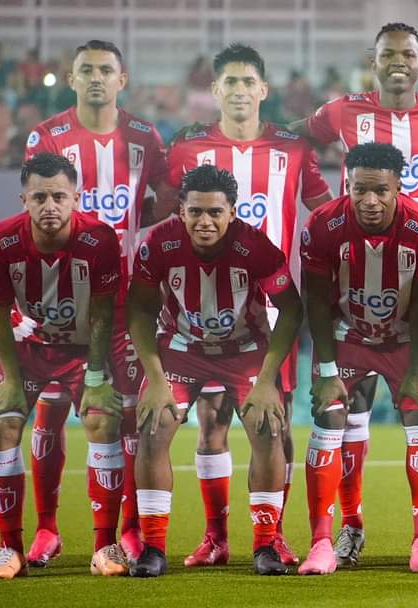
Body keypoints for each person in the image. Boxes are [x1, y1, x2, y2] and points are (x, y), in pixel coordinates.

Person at [290, 22, 418, 567]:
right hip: (357, 276)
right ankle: (348, 527)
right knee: (352, 409)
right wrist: (324, 199)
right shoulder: (344, 110)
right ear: (372, 62)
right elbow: (295, 137)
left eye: (408, 54)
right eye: (388, 54)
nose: (398, 62)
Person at [167, 43, 332, 569]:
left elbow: (324, 209)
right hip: (199, 306)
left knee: (273, 422)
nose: (239, 91)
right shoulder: (188, 149)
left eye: (248, 83)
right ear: (214, 90)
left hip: (272, 309)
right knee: (211, 422)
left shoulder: (294, 147)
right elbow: (165, 212)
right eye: (229, 83)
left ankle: (272, 536)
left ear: (264, 90)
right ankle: (216, 537)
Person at [23, 39, 177, 567]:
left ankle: (129, 530)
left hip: (128, 299)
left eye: (105, 70)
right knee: (52, 409)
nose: (95, 77)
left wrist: (137, 236)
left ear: (122, 78)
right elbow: (33, 208)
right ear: (71, 78)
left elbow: (169, 195)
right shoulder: (48, 136)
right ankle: (46, 529)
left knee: (127, 417)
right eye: (85, 69)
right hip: (62, 298)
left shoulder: (143, 136)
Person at [126, 164, 304, 577]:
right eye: (195, 212)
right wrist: (154, 380)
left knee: (267, 425)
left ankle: (265, 546)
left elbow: (292, 309)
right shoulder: (158, 244)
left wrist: (264, 383)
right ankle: (153, 548)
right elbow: (138, 309)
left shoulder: (256, 246)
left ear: (233, 213)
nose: (205, 222)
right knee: (154, 426)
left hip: (245, 350)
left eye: (215, 213)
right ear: (180, 211)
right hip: (181, 349)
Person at [297, 142, 418, 576]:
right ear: (345, 184)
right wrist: (327, 371)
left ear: (399, 186)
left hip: (403, 337)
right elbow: (317, 302)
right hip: (348, 334)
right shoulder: (323, 225)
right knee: (329, 417)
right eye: (359, 189)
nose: (369, 200)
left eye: (380, 191)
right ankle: (324, 541)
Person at [0, 153, 126, 579]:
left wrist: (97, 378)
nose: (50, 206)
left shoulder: (100, 239)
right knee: (2, 425)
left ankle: (105, 547)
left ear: (75, 198)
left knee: (103, 423)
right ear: (23, 199)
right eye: (40, 197)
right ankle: (10, 549)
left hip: (83, 350)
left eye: (59, 196)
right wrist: (8, 379)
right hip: (25, 347)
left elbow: (103, 314)